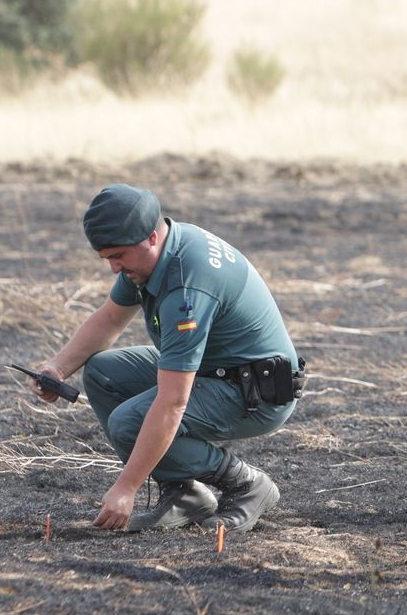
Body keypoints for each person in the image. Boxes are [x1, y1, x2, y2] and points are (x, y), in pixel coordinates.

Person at [33, 184, 301, 534]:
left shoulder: (187, 287)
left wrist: (126, 488)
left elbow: (174, 402)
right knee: (101, 372)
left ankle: (247, 484)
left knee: (130, 422)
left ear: (151, 238)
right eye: (107, 258)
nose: (114, 268)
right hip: (217, 371)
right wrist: (59, 367)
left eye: (118, 256)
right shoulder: (160, 251)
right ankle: (183, 493)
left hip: (255, 393)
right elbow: (112, 317)